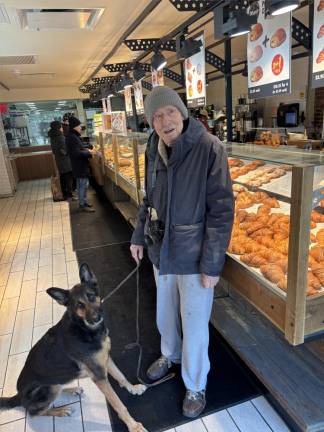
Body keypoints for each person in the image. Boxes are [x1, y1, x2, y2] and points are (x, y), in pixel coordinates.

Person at [130, 86, 234, 418]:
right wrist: (137, 236)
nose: (164, 121)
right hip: (161, 250)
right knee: (164, 314)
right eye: (156, 116)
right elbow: (148, 198)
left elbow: (221, 210)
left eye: (169, 112)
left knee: (195, 322)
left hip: (194, 256)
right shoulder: (152, 147)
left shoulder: (208, 147)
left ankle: (195, 384)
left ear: (182, 113)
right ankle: (169, 354)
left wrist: (212, 264)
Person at [66, 116, 95, 213]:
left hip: (79, 166)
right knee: (83, 185)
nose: (80, 127)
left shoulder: (73, 136)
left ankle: (84, 202)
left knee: (82, 185)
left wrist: (87, 148)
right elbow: (77, 153)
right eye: (79, 126)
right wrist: (90, 153)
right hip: (79, 166)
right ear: (75, 127)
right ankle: (82, 205)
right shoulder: (72, 137)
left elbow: (80, 148)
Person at [48, 121, 73, 200]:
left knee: (63, 177)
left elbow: (55, 150)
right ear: (58, 128)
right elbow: (63, 150)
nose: (62, 128)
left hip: (58, 160)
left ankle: (65, 194)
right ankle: (68, 194)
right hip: (65, 161)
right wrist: (69, 152)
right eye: (61, 127)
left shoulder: (52, 137)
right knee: (68, 177)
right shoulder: (60, 137)